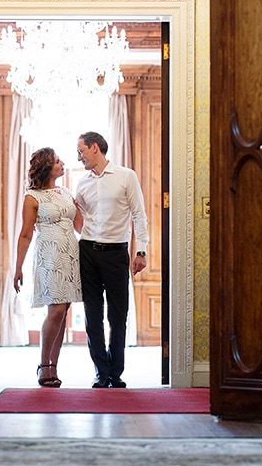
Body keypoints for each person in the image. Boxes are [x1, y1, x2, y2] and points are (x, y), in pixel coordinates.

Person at [73, 131, 149, 388]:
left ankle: (115, 373)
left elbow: (139, 215)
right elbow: (80, 218)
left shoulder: (126, 176)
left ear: (95, 148)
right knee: (92, 315)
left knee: (118, 316)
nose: (79, 156)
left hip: (117, 253)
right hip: (88, 252)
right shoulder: (81, 184)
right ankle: (100, 372)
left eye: (81, 151)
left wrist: (141, 252)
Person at [13, 147, 83, 388]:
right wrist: (18, 267)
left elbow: (80, 226)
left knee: (64, 311)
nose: (62, 164)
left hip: (71, 254)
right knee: (56, 309)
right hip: (49, 254)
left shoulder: (65, 192)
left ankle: (54, 365)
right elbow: (25, 234)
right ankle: (44, 365)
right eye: (56, 162)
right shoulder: (32, 197)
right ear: (46, 168)